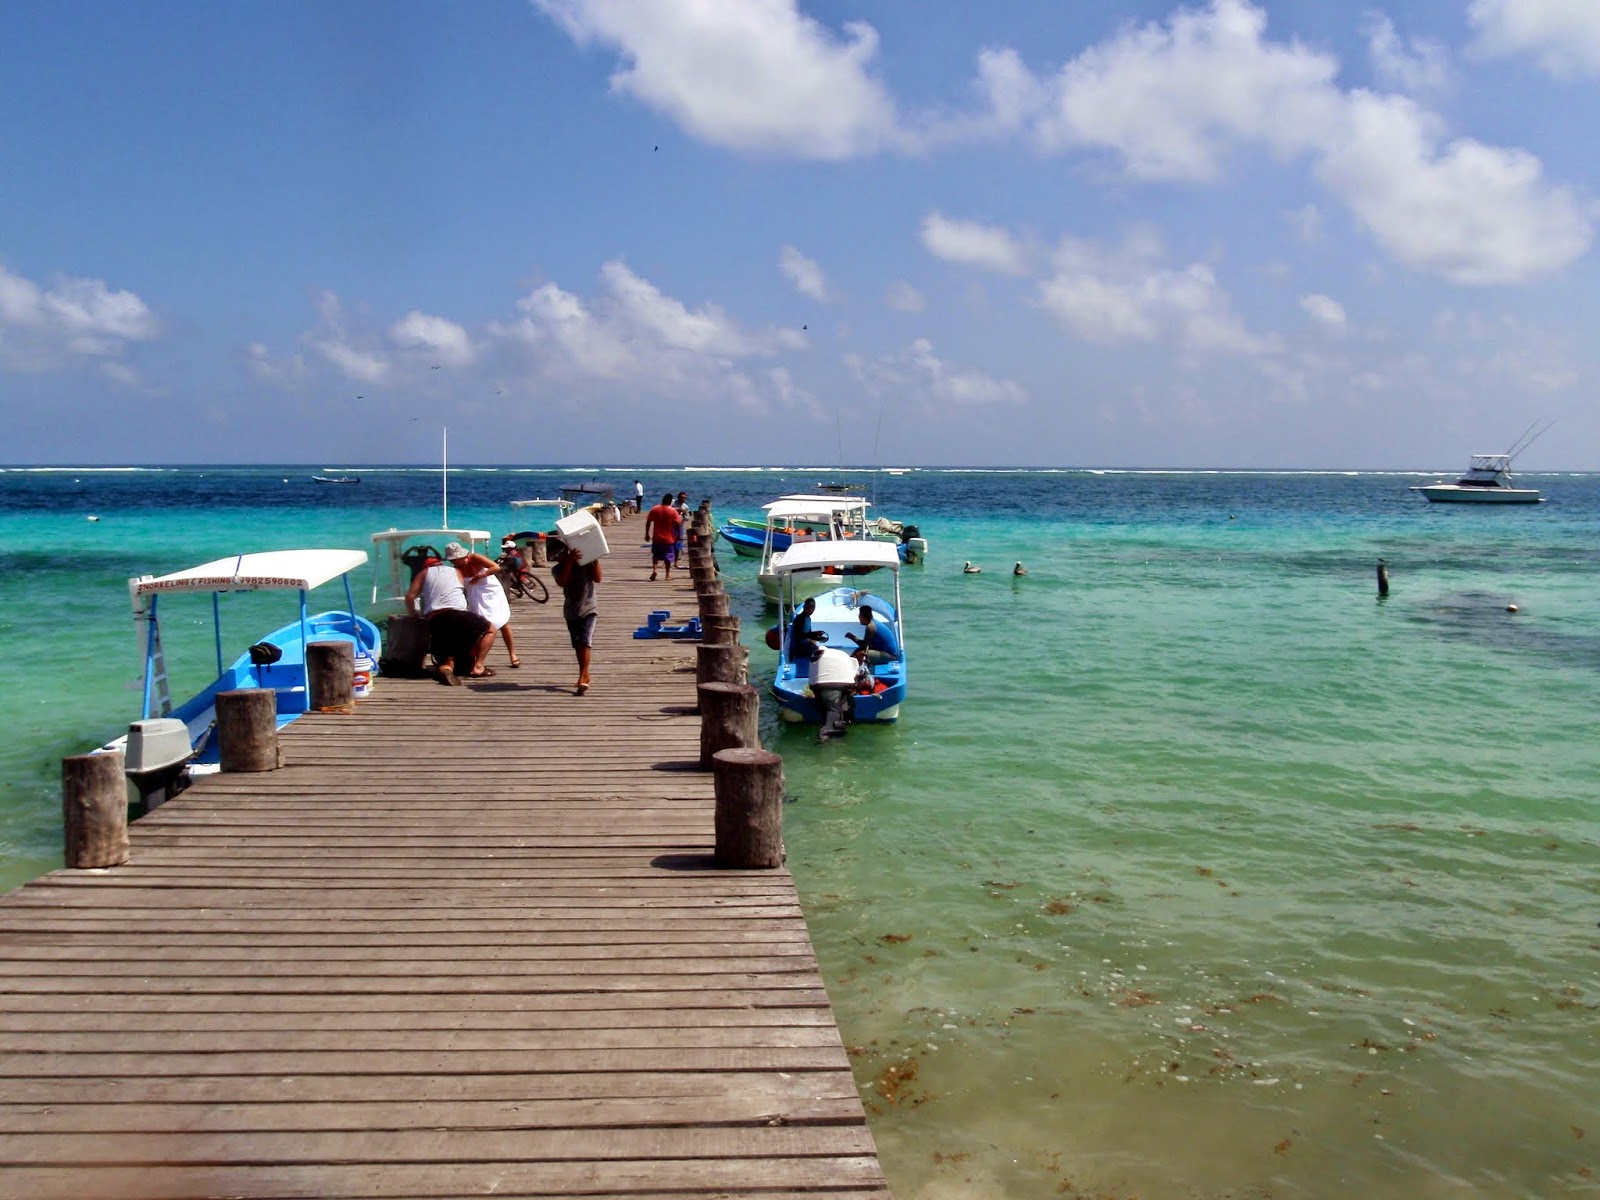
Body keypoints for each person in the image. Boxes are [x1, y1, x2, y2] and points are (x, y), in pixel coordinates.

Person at [405, 542, 493, 685]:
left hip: (436, 618)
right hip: (458, 615)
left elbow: (409, 597)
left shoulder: (424, 573)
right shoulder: (457, 572)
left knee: (447, 656)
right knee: (490, 629)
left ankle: (447, 668)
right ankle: (478, 666)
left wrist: (413, 614)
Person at [453, 543, 520, 669]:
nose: (454, 563)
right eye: (452, 560)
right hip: (474, 595)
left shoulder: (475, 558)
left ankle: (512, 654)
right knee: (479, 626)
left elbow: (495, 567)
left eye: (455, 560)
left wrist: (480, 576)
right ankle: (476, 660)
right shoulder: (456, 569)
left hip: (490, 590)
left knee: (503, 622)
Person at [552, 541, 601, 695]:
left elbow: (598, 578)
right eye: (555, 556)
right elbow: (562, 581)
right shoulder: (557, 569)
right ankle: (585, 674)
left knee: (585, 641)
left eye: (560, 553)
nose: (557, 557)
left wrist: (595, 559)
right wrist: (570, 561)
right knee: (577, 643)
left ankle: (582, 677)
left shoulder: (584, 564)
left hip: (588, 607)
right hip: (570, 610)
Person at [644, 492, 682, 581]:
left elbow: (649, 521)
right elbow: (678, 524)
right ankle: (667, 575)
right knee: (668, 557)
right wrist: (679, 535)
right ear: (670, 502)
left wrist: (647, 533)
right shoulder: (672, 511)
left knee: (655, 555)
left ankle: (655, 570)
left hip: (657, 537)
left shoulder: (655, 509)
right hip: (669, 538)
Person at [673, 490, 690, 560]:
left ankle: (677, 557)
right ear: (678, 497)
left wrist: (683, 513)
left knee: (679, 541)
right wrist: (677, 510)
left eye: (684, 498)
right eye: (681, 497)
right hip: (671, 525)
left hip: (680, 526)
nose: (683, 499)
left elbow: (687, 518)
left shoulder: (685, 507)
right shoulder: (673, 503)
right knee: (670, 542)